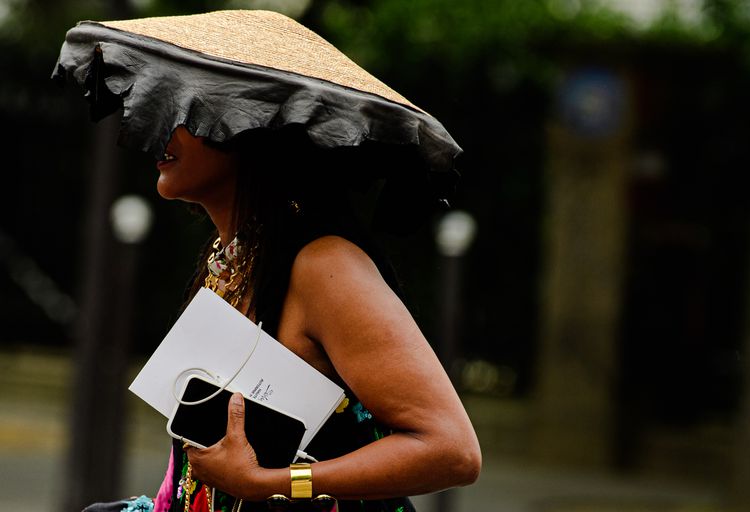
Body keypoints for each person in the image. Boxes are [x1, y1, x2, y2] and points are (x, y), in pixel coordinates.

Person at [54, 9, 480, 512]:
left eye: (178, 106)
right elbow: (198, 464)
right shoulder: (229, 258)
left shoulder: (325, 266)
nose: (148, 124)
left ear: (245, 128)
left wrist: (271, 482)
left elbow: (452, 451)